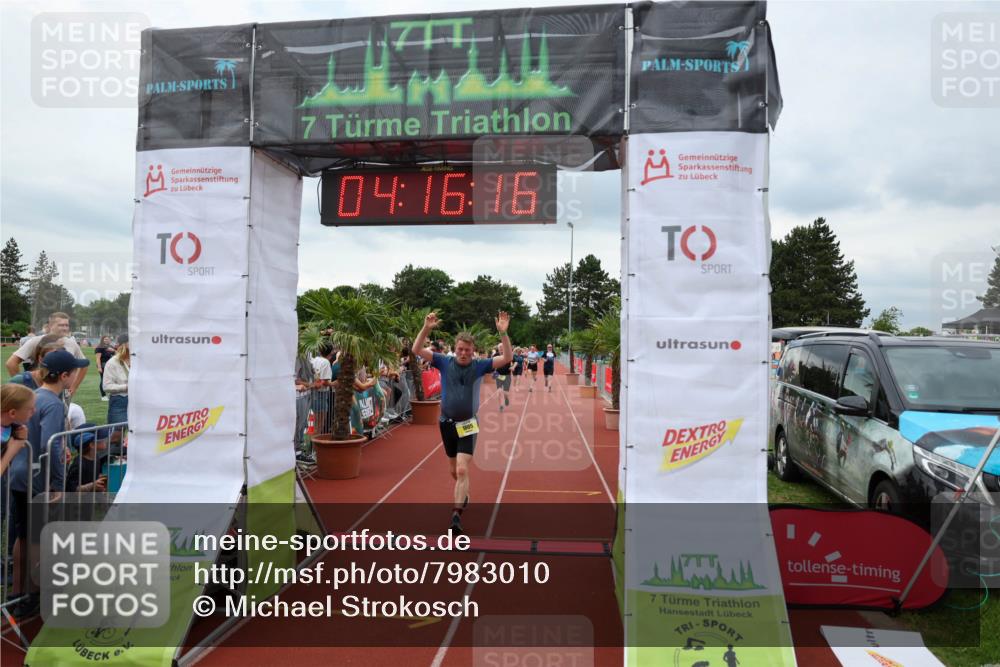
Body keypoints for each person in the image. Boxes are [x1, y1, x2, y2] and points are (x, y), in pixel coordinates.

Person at [412, 311, 512, 535]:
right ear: (455, 349)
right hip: (446, 423)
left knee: (462, 468)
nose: (464, 353)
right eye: (460, 349)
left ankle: (456, 514)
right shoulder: (443, 361)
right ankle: (463, 493)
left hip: (468, 423)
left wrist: (503, 334)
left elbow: (506, 358)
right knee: (453, 470)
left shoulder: (479, 365)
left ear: (473, 351)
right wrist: (426, 328)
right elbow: (416, 350)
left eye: (468, 350)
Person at [5, 312, 88, 395]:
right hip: (38, 390)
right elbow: (11, 363)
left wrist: (74, 387)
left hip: (60, 392)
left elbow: (84, 365)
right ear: (50, 326)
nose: (65, 328)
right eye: (61, 325)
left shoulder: (71, 343)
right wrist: (24, 388)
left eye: (67, 325)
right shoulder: (36, 341)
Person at [65, 425, 111, 493]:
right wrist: (92, 486)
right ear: (92, 445)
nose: (105, 440)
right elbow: (72, 489)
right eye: (100, 439)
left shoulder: (96, 457)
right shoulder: (78, 464)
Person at [1, 384, 35, 475]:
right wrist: (13, 449)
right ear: (12, 413)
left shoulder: (10, 427)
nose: (34, 411)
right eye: (30, 409)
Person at [103, 335, 130, 425]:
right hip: (120, 400)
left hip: (138, 401)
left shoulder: (138, 360)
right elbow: (106, 386)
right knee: (117, 434)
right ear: (125, 345)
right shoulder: (112, 362)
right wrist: (126, 387)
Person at [95, 335, 115, 401]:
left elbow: (119, 354)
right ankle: (103, 396)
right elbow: (98, 358)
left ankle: (111, 394)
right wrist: (99, 367)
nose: (106, 340)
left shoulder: (111, 347)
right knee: (103, 380)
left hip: (111, 366)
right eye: (105, 339)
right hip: (103, 366)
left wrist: (113, 350)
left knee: (112, 380)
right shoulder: (99, 347)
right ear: (102, 340)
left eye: (108, 339)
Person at [492, 346, 512, 410]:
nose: (501, 349)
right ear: (498, 349)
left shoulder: (508, 354)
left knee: (505, 392)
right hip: (498, 375)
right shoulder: (495, 355)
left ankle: (506, 398)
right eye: (499, 348)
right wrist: (493, 371)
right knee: (499, 391)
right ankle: (501, 405)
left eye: (502, 348)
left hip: (507, 375)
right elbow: (491, 363)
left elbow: (514, 361)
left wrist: (513, 366)